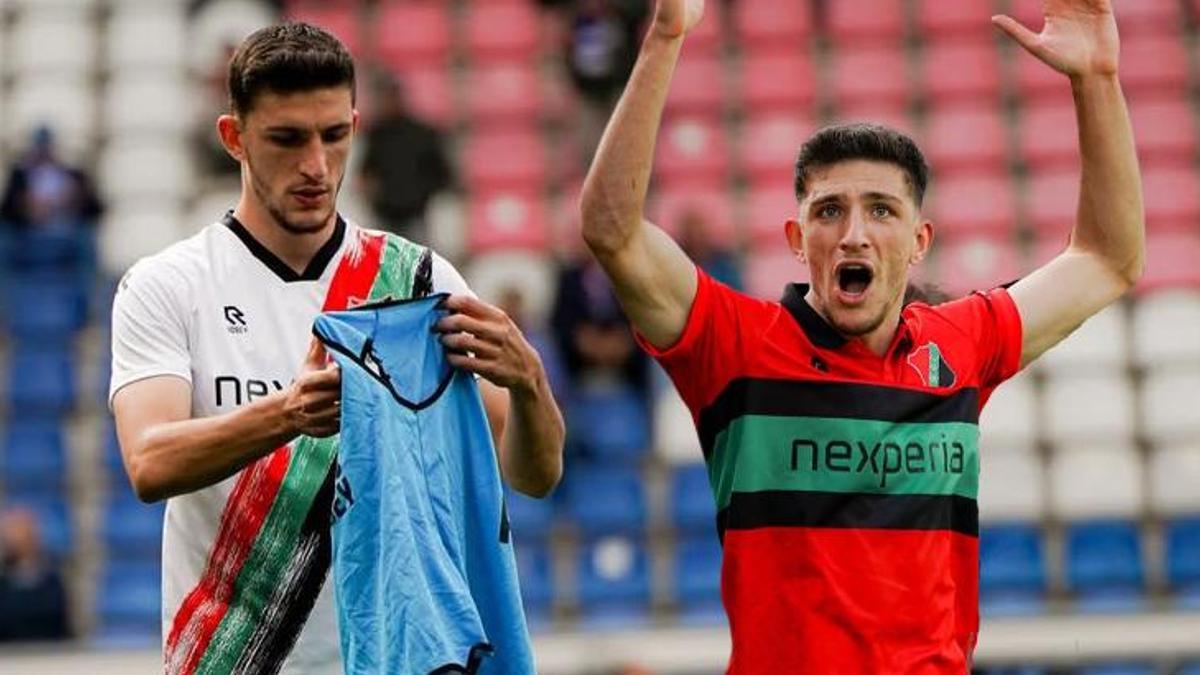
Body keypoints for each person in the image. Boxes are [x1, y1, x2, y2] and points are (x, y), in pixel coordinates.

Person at [579, 0, 1143, 671]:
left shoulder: (962, 344)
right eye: (829, 211)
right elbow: (612, 230)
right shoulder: (734, 346)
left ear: (918, 242)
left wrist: (1097, 80)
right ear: (797, 239)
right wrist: (664, 39)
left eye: (881, 210)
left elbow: (1107, 259)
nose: (854, 234)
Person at [109, 23, 563, 674]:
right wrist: (286, 413)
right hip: (234, 661)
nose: (316, 166)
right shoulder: (168, 285)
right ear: (234, 137)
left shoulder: (416, 281)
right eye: (287, 139)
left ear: (355, 126)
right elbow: (149, 462)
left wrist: (531, 385)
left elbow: (535, 475)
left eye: (333, 135)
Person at [357, 72, 455, 243]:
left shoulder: (423, 134)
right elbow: (366, 172)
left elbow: (443, 174)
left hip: (416, 216)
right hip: (384, 216)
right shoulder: (375, 134)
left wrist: (421, 193)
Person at [0, 508, 71, 642]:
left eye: (21, 532)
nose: (15, 539)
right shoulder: (3, 584)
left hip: (48, 649)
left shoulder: (52, 580)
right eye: (11, 533)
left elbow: (60, 622)